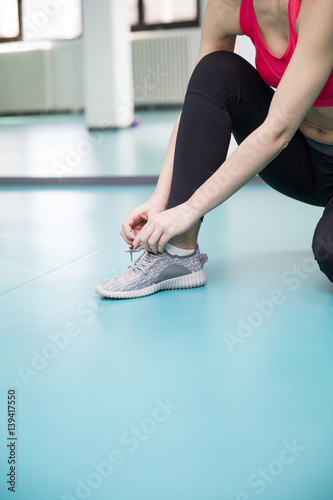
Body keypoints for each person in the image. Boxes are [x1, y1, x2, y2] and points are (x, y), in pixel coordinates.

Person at [95, 0, 333, 299]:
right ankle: (178, 256)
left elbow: (278, 130)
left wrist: (190, 208)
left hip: (285, 134)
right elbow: (200, 99)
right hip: (304, 160)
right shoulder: (227, 5)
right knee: (215, 70)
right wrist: (162, 198)